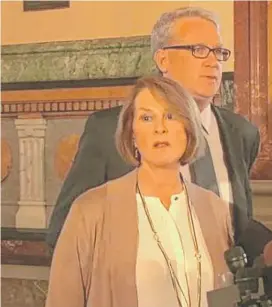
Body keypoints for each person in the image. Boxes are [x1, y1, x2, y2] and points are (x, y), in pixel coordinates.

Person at [46, 7, 260, 249]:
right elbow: (64, 233)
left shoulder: (241, 133)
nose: (213, 62)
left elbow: (241, 224)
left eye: (218, 52)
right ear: (163, 59)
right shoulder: (109, 131)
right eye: (199, 50)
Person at [46, 76, 233, 307]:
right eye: (147, 118)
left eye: (171, 116)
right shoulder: (91, 210)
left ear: (189, 128)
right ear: (132, 134)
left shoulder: (214, 209)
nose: (160, 128)